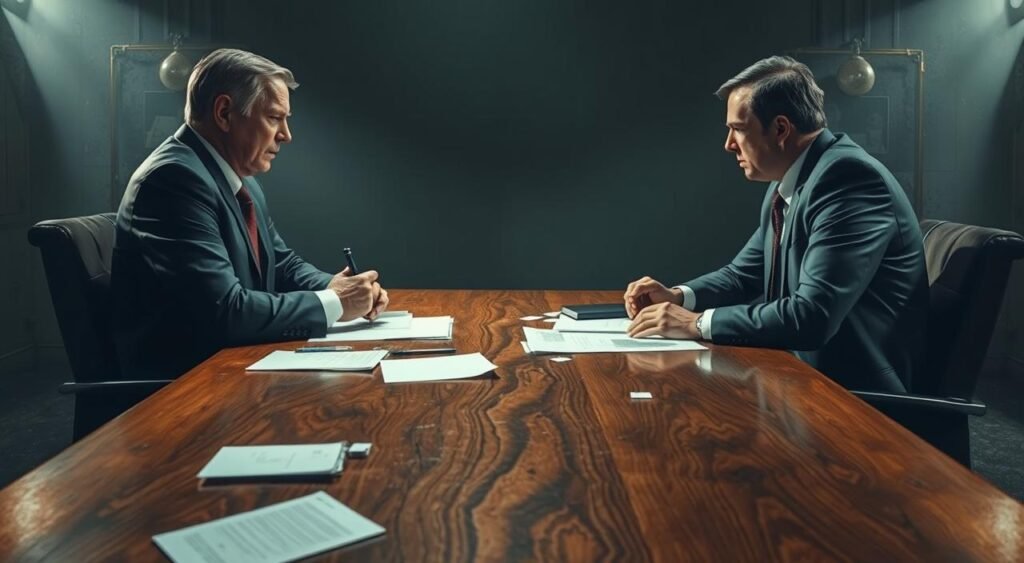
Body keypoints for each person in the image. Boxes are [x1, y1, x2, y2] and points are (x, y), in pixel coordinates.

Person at [623, 56, 927, 393]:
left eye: (738, 129)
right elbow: (742, 275)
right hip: (799, 382)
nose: (728, 144)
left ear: (781, 129)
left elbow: (812, 316)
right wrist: (679, 297)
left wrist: (697, 324)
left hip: (855, 397)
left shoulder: (848, 180)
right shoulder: (790, 181)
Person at [112, 48, 388, 380]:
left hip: (231, 367)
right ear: (224, 113)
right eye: (274, 117)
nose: (286, 135)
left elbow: (281, 263)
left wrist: (338, 286)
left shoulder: (238, 180)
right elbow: (225, 312)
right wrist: (337, 302)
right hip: (184, 387)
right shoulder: (173, 180)